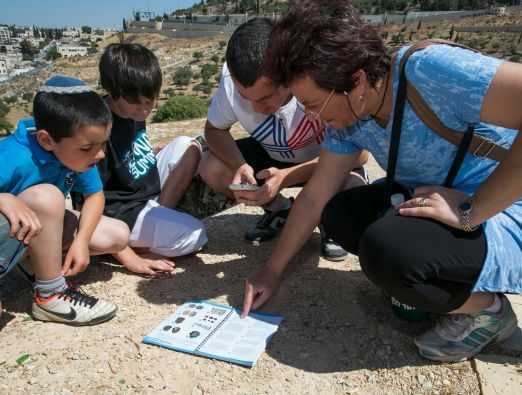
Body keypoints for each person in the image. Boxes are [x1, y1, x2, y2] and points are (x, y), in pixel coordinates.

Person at [242, 0, 522, 362]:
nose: (311, 116)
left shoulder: (429, 71)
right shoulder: (349, 114)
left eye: (311, 103)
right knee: (340, 214)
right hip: (441, 201)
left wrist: (472, 209)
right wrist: (271, 270)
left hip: (504, 207)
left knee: (387, 251)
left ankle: (488, 312)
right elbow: (315, 196)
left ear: (355, 81)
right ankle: (440, 287)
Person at [198, 18, 368, 261]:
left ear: (289, 75)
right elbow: (214, 130)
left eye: (265, 97)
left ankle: (328, 221)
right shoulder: (230, 83)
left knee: (354, 189)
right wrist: (240, 165)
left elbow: (361, 154)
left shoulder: (317, 79)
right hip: (273, 160)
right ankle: (281, 210)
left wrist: (287, 176)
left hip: (329, 161)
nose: (257, 108)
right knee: (211, 166)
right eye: (246, 98)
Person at [0, 75, 126, 326]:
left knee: (117, 235)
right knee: (47, 197)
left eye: (103, 145)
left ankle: (37, 271)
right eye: (88, 148)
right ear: (46, 140)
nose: (99, 154)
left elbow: (94, 195)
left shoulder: (75, 146)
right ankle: (50, 295)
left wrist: (81, 241)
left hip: (24, 233)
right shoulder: (13, 156)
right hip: (9, 232)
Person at [95, 43, 208, 277]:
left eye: (151, 100)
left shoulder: (131, 110)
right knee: (196, 235)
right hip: (122, 211)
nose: (147, 109)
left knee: (189, 146)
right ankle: (118, 244)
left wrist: (154, 151)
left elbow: (130, 153)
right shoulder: (97, 127)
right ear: (113, 92)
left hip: (146, 193)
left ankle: (160, 213)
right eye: (138, 103)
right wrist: (130, 257)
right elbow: (90, 201)